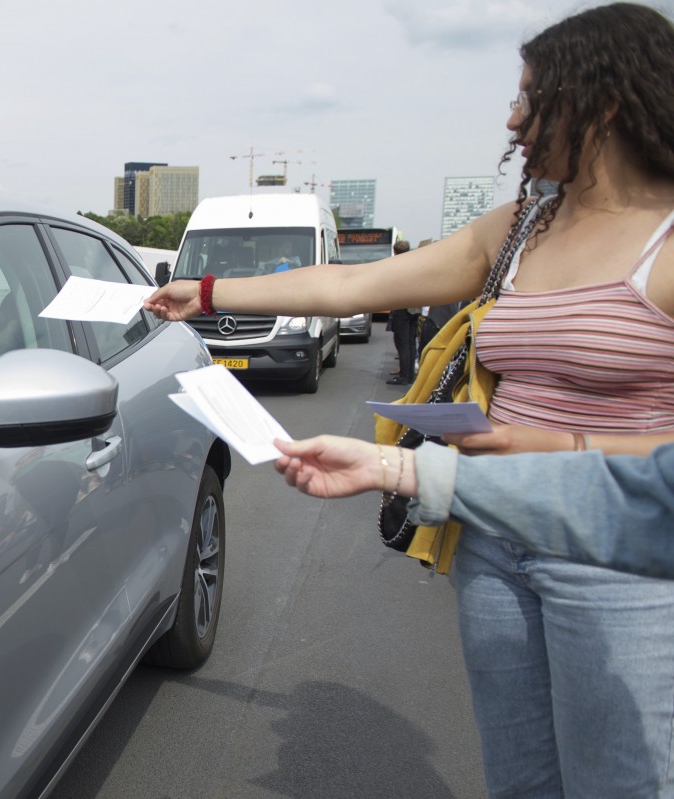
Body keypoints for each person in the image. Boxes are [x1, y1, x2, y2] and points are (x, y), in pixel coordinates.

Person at [146, 5, 674, 796]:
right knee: (521, 778)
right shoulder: (524, 224)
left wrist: (554, 449)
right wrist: (212, 289)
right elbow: (352, 282)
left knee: (618, 783)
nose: (512, 118)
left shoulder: (663, 237)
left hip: (615, 557)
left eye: (531, 99)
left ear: (601, 101)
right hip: (493, 530)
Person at [273, 435, 674, 579]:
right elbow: (356, 286)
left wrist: (529, 441)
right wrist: (390, 465)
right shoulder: (513, 248)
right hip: (489, 537)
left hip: (615, 565)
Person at [385, 240, 420, 385]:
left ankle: (404, 376)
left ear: (395, 252)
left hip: (401, 308)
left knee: (402, 343)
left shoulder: (397, 266)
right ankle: (410, 375)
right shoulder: (416, 265)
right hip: (415, 307)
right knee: (411, 343)